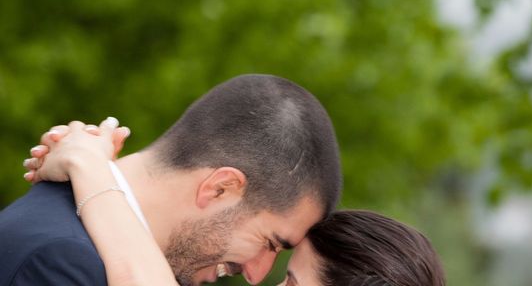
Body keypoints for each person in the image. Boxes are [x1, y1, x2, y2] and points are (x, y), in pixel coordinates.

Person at [0, 74, 342, 286]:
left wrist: (87, 162)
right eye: (271, 243)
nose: (257, 275)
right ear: (220, 188)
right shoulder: (63, 261)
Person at [22, 122, 446, 286]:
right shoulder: (60, 256)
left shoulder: (62, 260)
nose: (261, 281)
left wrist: (88, 164)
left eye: (293, 285)